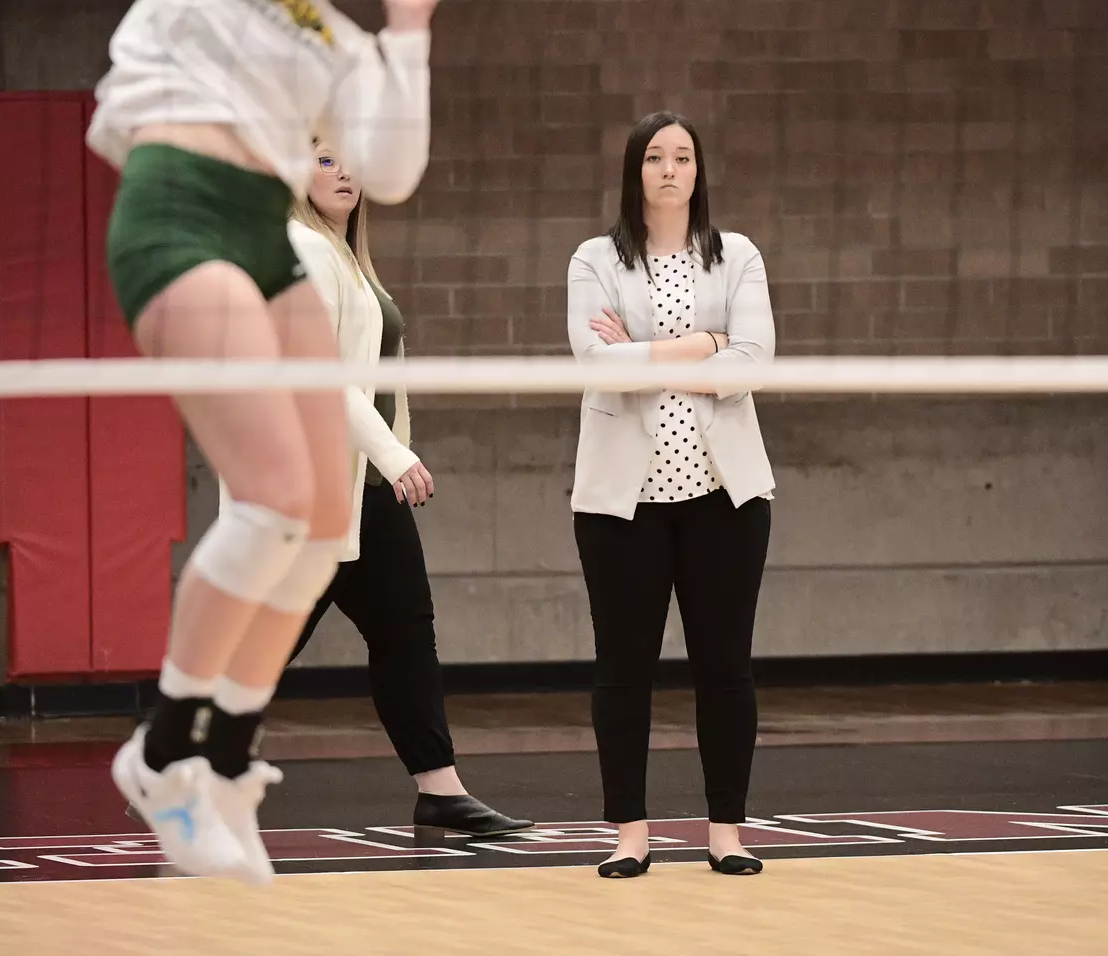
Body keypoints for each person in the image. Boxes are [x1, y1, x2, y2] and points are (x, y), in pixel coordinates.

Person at [84, 0, 503, 885]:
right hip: (178, 212)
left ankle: (226, 758)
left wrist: (408, 34)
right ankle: (163, 747)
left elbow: (393, 173)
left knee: (324, 522)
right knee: (270, 499)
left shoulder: (336, 36)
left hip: (263, 238)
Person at [280, 140, 532, 836]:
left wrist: (390, 454)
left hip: (361, 482)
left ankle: (439, 789)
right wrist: (393, 456)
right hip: (323, 483)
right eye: (326, 159)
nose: (347, 172)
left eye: (353, 159)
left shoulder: (343, 256)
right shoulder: (300, 246)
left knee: (404, 631)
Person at [565, 111, 777, 879]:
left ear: (699, 171)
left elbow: (753, 365)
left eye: (683, 156)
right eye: (655, 156)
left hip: (727, 497)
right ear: (635, 170)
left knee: (726, 668)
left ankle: (727, 831)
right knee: (623, 668)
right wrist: (706, 347)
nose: (670, 168)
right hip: (623, 503)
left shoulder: (738, 256)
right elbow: (598, 365)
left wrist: (652, 351)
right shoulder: (593, 260)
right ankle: (630, 832)